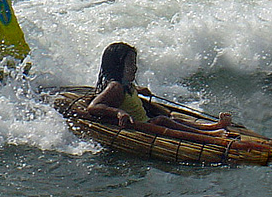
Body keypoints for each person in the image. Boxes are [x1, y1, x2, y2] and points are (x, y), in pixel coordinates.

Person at [87, 42, 232, 136]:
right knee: (162, 120)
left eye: (135, 63)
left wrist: (138, 90)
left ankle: (211, 127)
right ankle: (209, 134)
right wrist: (119, 113)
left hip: (146, 121)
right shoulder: (115, 87)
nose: (135, 68)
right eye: (131, 63)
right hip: (143, 127)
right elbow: (93, 107)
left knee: (173, 119)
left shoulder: (125, 85)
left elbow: (125, 97)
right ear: (118, 66)